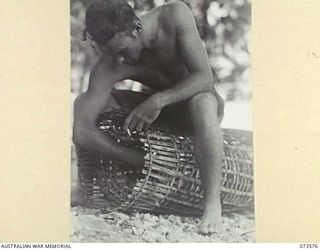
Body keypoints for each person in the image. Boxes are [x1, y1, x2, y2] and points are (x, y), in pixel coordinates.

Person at [72, 0, 225, 235]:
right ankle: (86, 188)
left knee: (203, 101)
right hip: (158, 113)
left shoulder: (174, 16)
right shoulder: (110, 63)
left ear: (136, 28)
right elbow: (81, 131)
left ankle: (213, 205)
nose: (119, 60)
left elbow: (204, 78)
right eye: (112, 54)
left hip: (195, 107)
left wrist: (157, 101)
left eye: (122, 51)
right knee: (84, 102)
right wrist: (135, 159)